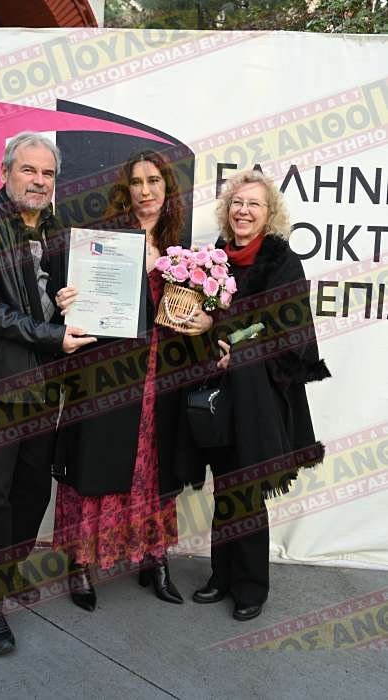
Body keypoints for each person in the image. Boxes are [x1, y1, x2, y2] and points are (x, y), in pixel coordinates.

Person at [0, 132, 96, 655]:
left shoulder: (56, 230)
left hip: (45, 385)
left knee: (31, 491)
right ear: (6, 172)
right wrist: (54, 335)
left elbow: (51, 300)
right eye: (29, 170)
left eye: (48, 173)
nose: (39, 181)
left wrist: (69, 302)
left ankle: (7, 570)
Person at [52, 149, 211, 610]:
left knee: (154, 465)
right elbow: (78, 307)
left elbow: (192, 316)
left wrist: (204, 321)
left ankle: (153, 559)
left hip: (162, 375)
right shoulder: (104, 242)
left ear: (167, 188)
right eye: (137, 182)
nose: (146, 191)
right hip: (110, 374)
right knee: (95, 460)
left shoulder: (181, 248)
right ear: (127, 191)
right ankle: (81, 564)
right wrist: (67, 299)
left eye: (154, 181)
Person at [189, 170, 331, 621]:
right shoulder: (215, 256)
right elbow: (202, 315)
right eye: (237, 202)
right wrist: (207, 330)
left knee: (246, 486)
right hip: (218, 390)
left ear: (269, 214)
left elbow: (290, 328)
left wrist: (240, 348)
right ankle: (221, 575)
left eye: (253, 204)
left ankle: (250, 586)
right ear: (227, 210)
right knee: (224, 482)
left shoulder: (282, 260)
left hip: (260, 394)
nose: (244, 211)